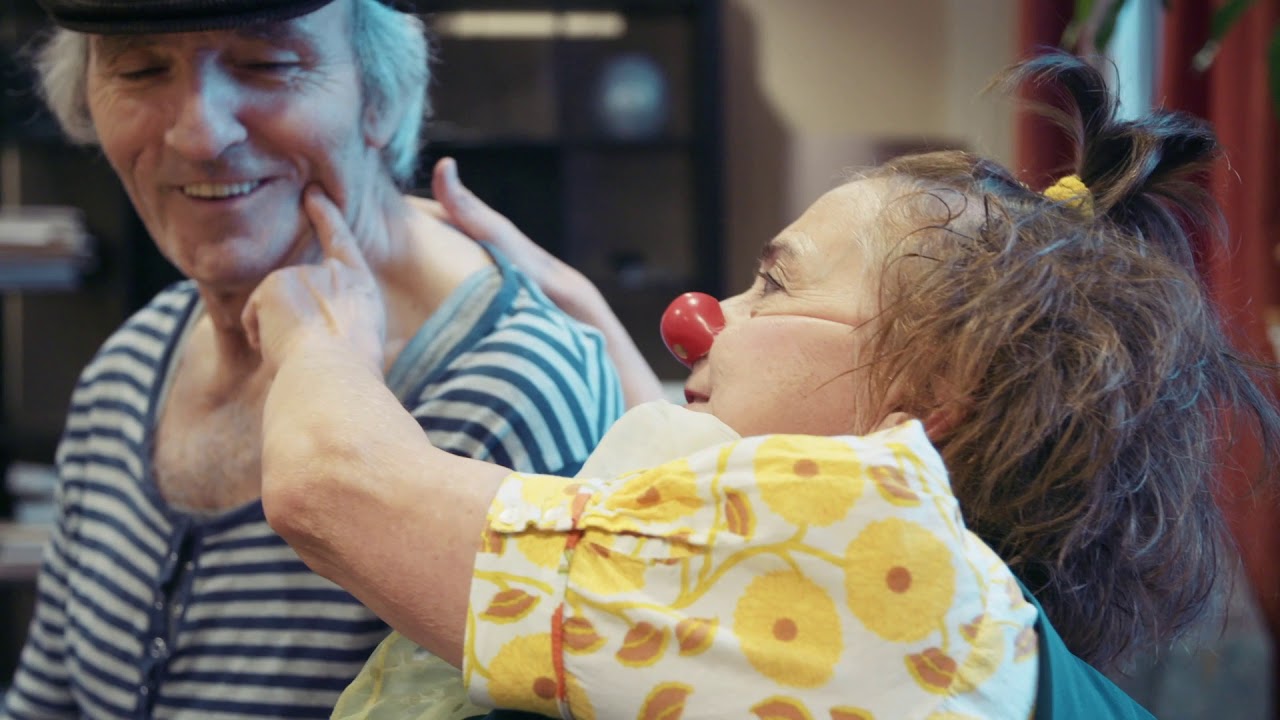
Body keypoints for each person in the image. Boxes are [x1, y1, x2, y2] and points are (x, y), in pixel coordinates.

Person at [249, 54, 1280, 718]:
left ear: (931, 398)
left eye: (771, 283)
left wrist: (318, 322)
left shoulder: (877, 564)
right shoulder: (939, 607)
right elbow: (666, 537)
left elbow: (331, 485)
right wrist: (582, 308)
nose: (702, 317)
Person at [2, 1, 625, 718]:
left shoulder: (511, 390)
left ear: (380, 96)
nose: (201, 133)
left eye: (267, 64)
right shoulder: (131, 363)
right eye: (141, 69)